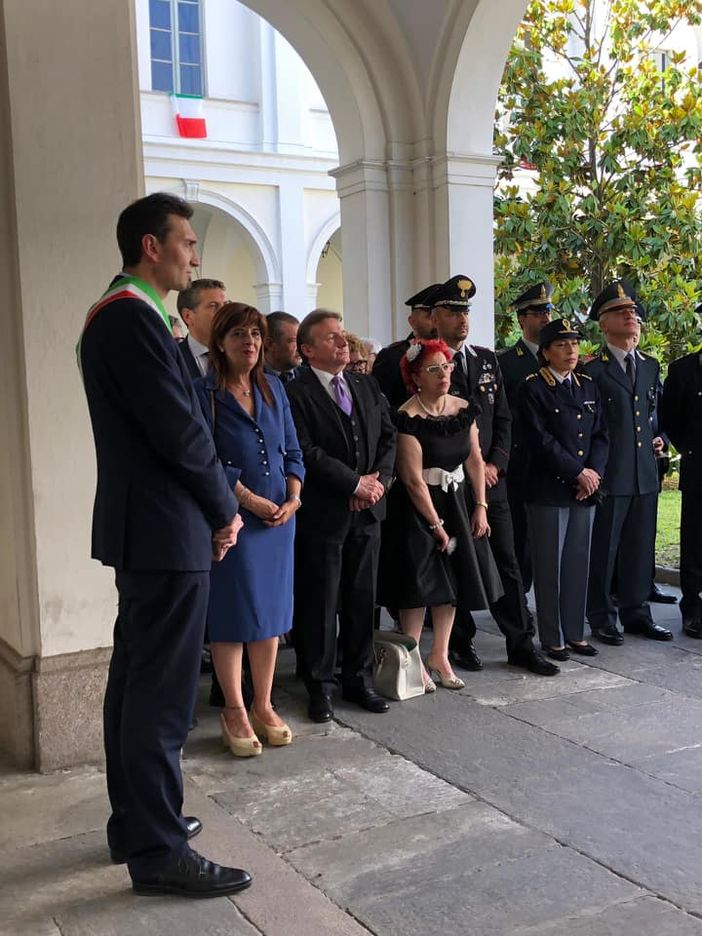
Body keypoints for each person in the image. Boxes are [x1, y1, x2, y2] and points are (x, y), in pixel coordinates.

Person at [78, 192, 251, 898]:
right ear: (151, 246)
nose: (194, 256)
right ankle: (156, 848)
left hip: (154, 526)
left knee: (138, 684)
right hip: (164, 526)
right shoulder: (129, 320)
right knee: (162, 695)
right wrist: (223, 508)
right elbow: (179, 431)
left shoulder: (143, 320)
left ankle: (138, 821)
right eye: (185, 243)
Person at [431, 275, 559, 676]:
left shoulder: (486, 359)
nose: (462, 320)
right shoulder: (427, 360)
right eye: (453, 312)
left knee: (508, 560)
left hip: (490, 479)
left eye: (465, 312)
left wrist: (494, 464)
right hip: (450, 481)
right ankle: (460, 640)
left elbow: (503, 418)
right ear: (435, 317)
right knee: (455, 559)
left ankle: (520, 641)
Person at [195, 303, 305, 755]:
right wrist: (248, 500)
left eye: (256, 334)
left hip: (280, 521)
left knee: (270, 618)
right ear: (220, 341)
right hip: (237, 522)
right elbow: (205, 459)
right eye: (239, 333)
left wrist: (294, 497)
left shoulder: (275, 387)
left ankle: (263, 702)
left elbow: (293, 450)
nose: (250, 342)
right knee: (232, 616)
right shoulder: (204, 393)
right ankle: (234, 708)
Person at [286, 310, 397, 722]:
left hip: (368, 512)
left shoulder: (365, 384)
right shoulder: (294, 392)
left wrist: (378, 483)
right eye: (331, 338)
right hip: (324, 512)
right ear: (308, 349)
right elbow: (305, 450)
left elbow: (389, 436)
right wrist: (353, 484)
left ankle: (359, 678)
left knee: (361, 598)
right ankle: (320, 685)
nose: (342, 343)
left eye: (342, 336)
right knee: (321, 599)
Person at [378, 339, 502, 690]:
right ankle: (413, 656)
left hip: (458, 501)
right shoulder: (407, 417)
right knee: (420, 583)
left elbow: (475, 460)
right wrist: (435, 525)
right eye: (433, 369)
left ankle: (441, 655)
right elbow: (413, 480)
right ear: (415, 376)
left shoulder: (464, 408)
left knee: (453, 581)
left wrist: (481, 506)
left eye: (446, 366)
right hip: (419, 508)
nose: (443, 374)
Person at [583, 280, 673, 644]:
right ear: (603, 323)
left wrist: (662, 438)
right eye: (621, 312)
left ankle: (637, 612)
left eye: (633, 311)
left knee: (639, 547)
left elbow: (658, 414)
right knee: (604, 550)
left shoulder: (650, 366)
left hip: (645, 474)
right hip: (610, 474)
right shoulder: (593, 371)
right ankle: (601, 615)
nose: (631, 316)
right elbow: (586, 428)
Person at [519, 320, 609, 660]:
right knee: (549, 566)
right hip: (549, 488)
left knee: (577, 563)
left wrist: (594, 474)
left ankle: (575, 632)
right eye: (561, 345)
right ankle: (552, 637)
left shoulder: (587, 386)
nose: (570, 351)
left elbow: (601, 434)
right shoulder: (533, 388)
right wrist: (577, 473)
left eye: (573, 344)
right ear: (545, 352)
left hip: (584, 490)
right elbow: (540, 441)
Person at [498, 281, 554, 594]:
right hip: (521, 464)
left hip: (554, 465)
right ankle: (518, 602)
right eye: (537, 312)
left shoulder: (559, 357)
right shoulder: (506, 362)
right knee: (521, 540)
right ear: (522, 319)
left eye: (547, 311)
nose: (545, 318)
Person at [660, 319, 702, 636]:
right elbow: (670, 419)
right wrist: (690, 449)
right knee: (694, 541)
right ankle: (693, 608)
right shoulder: (683, 369)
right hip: (698, 467)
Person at [372, 284, 440, 409]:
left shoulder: (452, 354)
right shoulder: (392, 356)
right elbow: (380, 405)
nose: (436, 322)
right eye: (429, 317)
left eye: (438, 317)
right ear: (412, 321)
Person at [176, 278, 227, 378]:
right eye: (213, 306)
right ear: (188, 316)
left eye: (226, 305)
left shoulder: (240, 352)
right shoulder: (173, 359)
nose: (224, 312)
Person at [264, 310, 302, 383]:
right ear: (270, 344)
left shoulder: (310, 379)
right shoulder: (251, 379)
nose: (301, 347)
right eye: (294, 341)